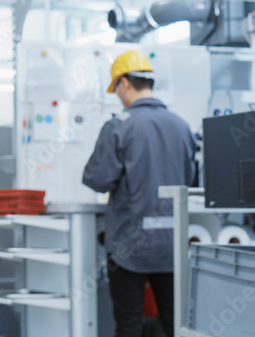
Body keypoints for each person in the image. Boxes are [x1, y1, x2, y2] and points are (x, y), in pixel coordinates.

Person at [82, 50, 197, 337]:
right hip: (173, 245)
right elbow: (192, 180)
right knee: (176, 325)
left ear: (123, 83)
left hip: (128, 247)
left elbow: (97, 179)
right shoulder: (183, 127)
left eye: (116, 89)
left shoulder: (119, 126)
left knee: (129, 325)